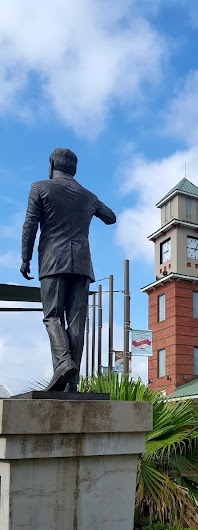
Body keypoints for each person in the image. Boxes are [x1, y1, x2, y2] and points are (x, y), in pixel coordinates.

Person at [20, 148, 116, 391]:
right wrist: (90, 204)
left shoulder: (40, 187)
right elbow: (111, 217)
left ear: (52, 164)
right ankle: (70, 383)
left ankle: (63, 362)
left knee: (52, 316)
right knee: (76, 323)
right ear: (74, 169)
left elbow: (30, 224)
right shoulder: (88, 196)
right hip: (82, 265)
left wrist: (25, 259)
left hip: (53, 261)